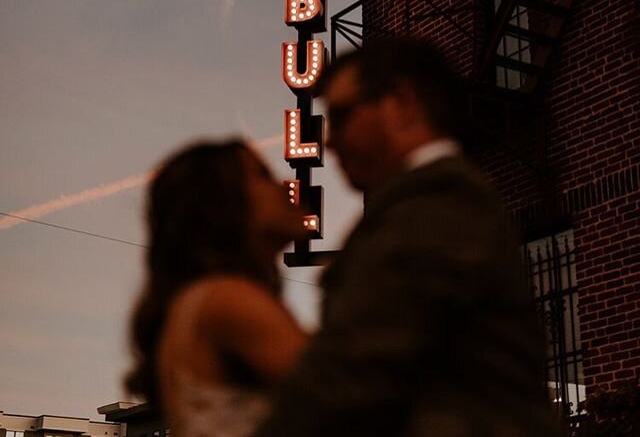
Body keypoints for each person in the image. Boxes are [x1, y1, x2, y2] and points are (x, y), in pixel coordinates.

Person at [256, 37, 563, 437]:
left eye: (343, 114)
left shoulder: (432, 211)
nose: (328, 140)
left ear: (402, 104)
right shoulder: (439, 204)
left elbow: (346, 381)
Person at [125, 140, 309, 437]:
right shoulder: (227, 300)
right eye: (262, 175)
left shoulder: (197, 301)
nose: (285, 185)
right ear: (221, 205)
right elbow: (349, 390)